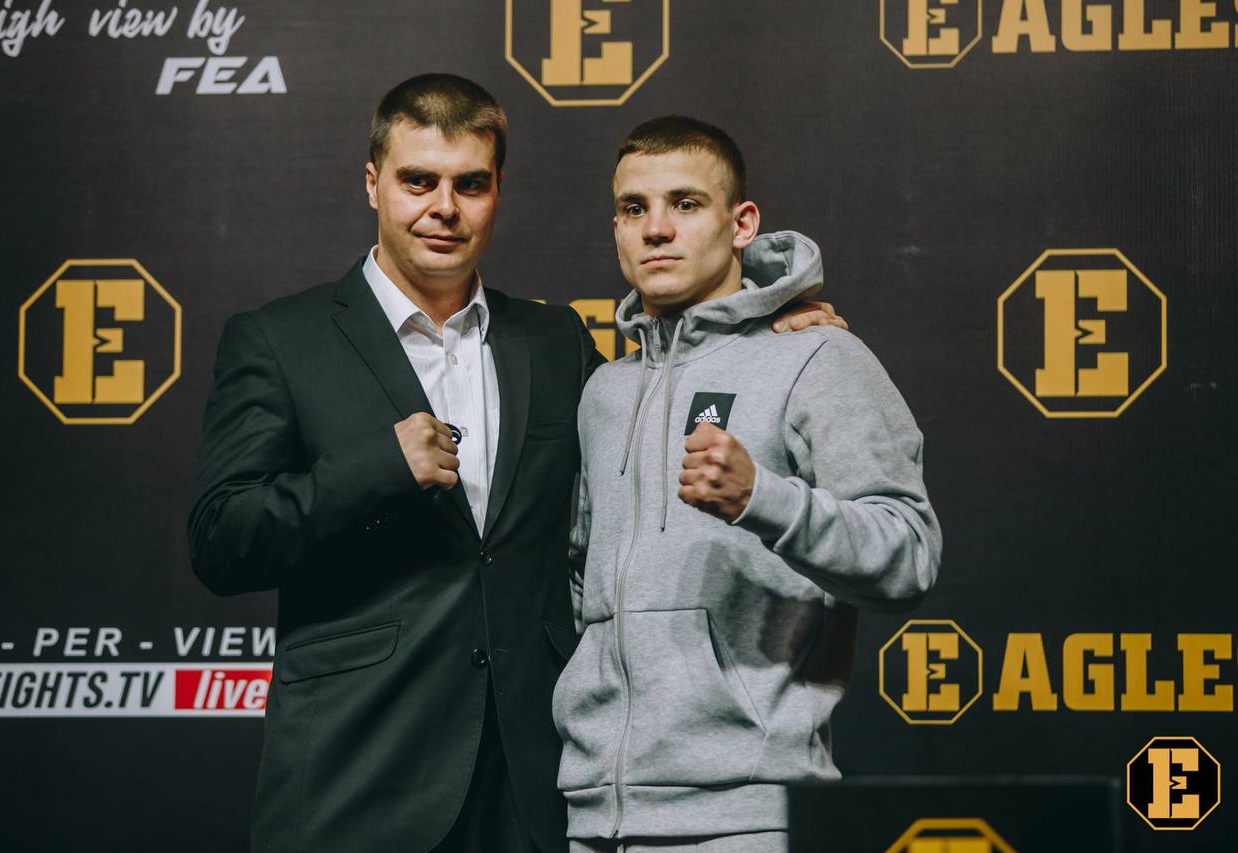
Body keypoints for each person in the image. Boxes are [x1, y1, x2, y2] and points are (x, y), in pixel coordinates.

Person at [188, 77, 845, 853]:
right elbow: (222, 539)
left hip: (534, 782)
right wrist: (377, 468)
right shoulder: (280, 340)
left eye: (470, 184)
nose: (444, 207)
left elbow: (660, 415)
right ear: (373, 182)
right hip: (355, 775)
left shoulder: (555, 342)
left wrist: (767, 318)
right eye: (418, 181)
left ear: (498, 189)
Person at [555, 116, 942, 852]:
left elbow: (909, 555)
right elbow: (583, 580)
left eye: (686, 203)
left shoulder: (817, 356)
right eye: (635, 208)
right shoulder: (605, 391)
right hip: (595, 816)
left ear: (742, 224)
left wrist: (763, 499)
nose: (657, 228)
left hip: (747, 814)